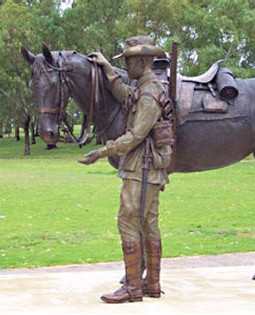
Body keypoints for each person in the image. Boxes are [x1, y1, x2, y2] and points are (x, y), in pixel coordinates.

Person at [78, 35, 172, 303]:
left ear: (142, 62)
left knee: (128, 221)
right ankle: (151, 283)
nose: (126, 66)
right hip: (148, 168)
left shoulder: (149, 94)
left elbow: (135, 136)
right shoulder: (144, 88)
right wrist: (108, 68)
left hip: (141, 168)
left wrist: (102, 151)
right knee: (147, 223)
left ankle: (133, 287)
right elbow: (124, 94)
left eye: (128, 61)